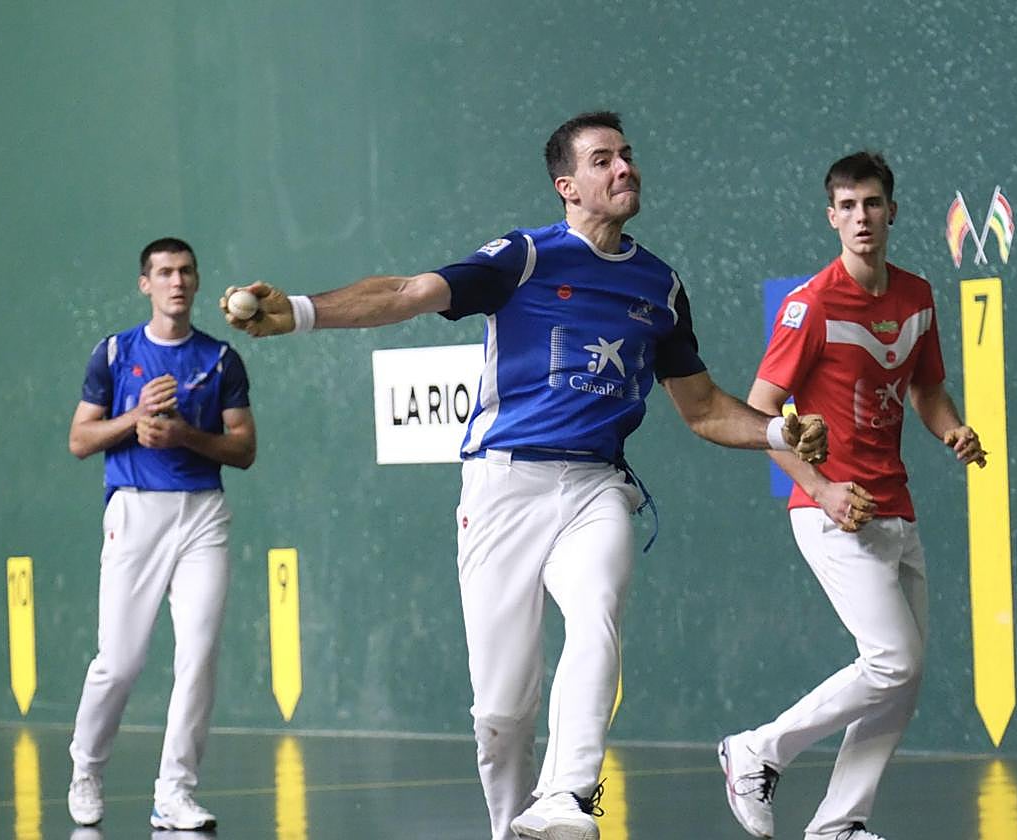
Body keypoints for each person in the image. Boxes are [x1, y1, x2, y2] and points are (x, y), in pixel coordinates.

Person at [222, 111, 826, 840]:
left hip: (596, 486)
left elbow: (700, 408)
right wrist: (303, 312)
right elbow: (410, 291)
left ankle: (570, 794)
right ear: (567, 186)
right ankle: (515, 826)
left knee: (599, 609)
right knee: (502, 712)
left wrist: (774, 429)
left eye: (628, 155)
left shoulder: (659, 286)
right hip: (504, 488)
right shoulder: (525, 257)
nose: (624, 168)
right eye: (604, 160)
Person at [719, 151, 988, 840]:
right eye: (847, 205)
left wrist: (952, 429)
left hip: (895, 507)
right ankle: (756, 750)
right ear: (831, 216)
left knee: (904, 677)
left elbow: (926, 388)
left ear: (891, 211)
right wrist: (823, 487)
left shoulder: (918, 295)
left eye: (872, 203)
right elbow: (760, 411)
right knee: (893, 661)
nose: (861, 217)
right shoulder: (810, 305)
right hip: (828, 511)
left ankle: (840, 823)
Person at [65, 237, 257, 831]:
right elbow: (79, 440)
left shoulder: (221, 360)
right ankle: (86, 768)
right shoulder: (115, 354)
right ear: (145, 284)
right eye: (165, 273)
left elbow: (244, 449)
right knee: (119, 663)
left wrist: (184, 437)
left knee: (198, 658)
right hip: (135, 511)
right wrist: (134, 418)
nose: (177, 282)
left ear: (198, 282)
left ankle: (174, 791)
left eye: (186, 272)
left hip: (202, 516)